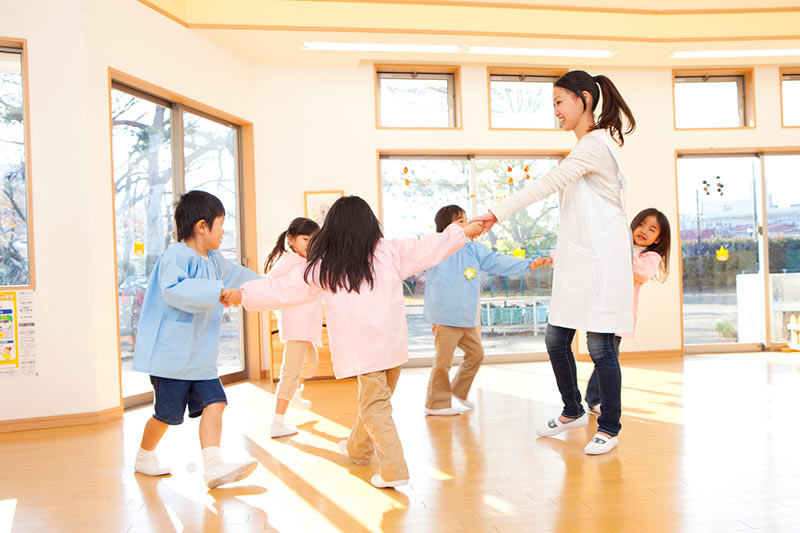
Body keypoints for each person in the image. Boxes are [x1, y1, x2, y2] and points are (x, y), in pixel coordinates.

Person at [227, 196, 483, 488]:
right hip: (391, 345)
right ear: (369, 224)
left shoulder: (326, 265)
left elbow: (282, 289)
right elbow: (429, 245)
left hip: (365, 350)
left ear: (332, 229)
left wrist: (243, 294)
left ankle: (394, 469)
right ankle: (358, 450)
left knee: (375, 405)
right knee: (375, 402)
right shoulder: (388, 252)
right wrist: (463, 231)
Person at [470, 70, 636, 455]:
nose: (557, 112)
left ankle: (609, 427)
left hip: (606, 260)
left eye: (560, 103)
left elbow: (547, 182)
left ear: (584, 100)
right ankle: (572, 409)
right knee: (556, 338)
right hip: (581, 260)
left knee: (600, 348)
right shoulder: (586, 147)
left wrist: (495, 214)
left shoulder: (595, 144)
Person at [132, 190, 260, 488]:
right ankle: (144, 455)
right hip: (171, 359)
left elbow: (239, 275)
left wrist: (273, 287)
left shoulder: (215, 260)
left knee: (216, 402)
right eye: (221, 224)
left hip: (200, 359)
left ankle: (213, 465)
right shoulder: (176, 255)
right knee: (166, 415)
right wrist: (217, 292)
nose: (223, 231)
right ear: (202, 227)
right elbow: (174, 290)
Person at [423, 204, 550, 416]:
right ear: (447, 228)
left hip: (466, 318)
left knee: (476, 354)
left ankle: (458, 390)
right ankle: (435, 403)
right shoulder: (437, 247)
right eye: (460, 221)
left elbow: (499, 262)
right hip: (444, 318)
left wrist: (529, 265)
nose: (468, 224)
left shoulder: (473, 250)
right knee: (442, 363)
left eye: (466, 220)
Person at [582, 208, 671, 414]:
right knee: (603, 356)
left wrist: (620, 250)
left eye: (651, 229)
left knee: (608, 356)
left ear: (658, 239)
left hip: (620, 314)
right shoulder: (615, 245)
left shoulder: (650, 257)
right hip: (601, 309)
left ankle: (596, 398)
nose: (644, 231)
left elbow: (641, 272)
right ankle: (595, 397)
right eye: (640, 225)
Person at [263, 217, 323, 438]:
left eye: (313, 239)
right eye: (306, 238)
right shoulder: (288, 260)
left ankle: (295, 394)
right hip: (297, 326)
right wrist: (280, 311)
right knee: (290, 372)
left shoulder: (311, 261)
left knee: (310, 365)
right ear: (291, 239)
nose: (310, 243)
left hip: (308, 327)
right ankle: (277, 421)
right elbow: (270, 284)